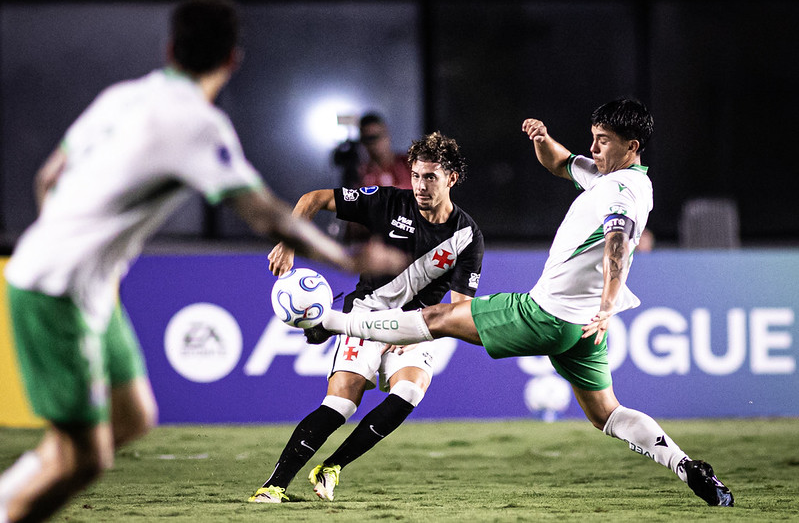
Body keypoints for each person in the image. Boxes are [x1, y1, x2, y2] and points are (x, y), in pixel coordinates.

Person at [0, 0, 406, 523]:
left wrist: (84, 247)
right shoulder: (197, 123)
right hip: (56, 289)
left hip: (86, 284)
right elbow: (267, 216)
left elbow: (47, 178)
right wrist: (349, 262)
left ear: (170, 48)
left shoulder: (123, 96)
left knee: (133, 418)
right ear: (232, 60)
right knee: (83, 455)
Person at [304, 99, 734, 507]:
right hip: (579, 328)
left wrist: (607, 303)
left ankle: (332, 323)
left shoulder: (625, 191)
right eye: (593, 136)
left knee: (437, 317)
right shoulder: (609, 177)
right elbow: (563, 163)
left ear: (631, 146)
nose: (593, 146)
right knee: (606, 412)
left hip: (547, 314)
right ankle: (686, 465)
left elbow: (617, 244)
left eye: (602, 139)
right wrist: (542, 140)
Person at [248, 131, 484, 503]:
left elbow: (460, 308)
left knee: (410, 390)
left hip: (415, 326)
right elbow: (313, 199)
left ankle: (332, 467)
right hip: (366, 315)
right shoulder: (388, 202)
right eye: (417, 176)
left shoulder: (466, 236)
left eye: (431, 177)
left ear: (451, 179)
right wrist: (288, 243)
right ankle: (273, 486)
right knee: (341, 404)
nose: (420, 186)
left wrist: (430, 327)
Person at [356, 112, 412, 190]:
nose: (373, 143)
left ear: (387, 134)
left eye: (375, 137)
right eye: (367, 139)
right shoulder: (362, 174)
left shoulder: (407, 164)